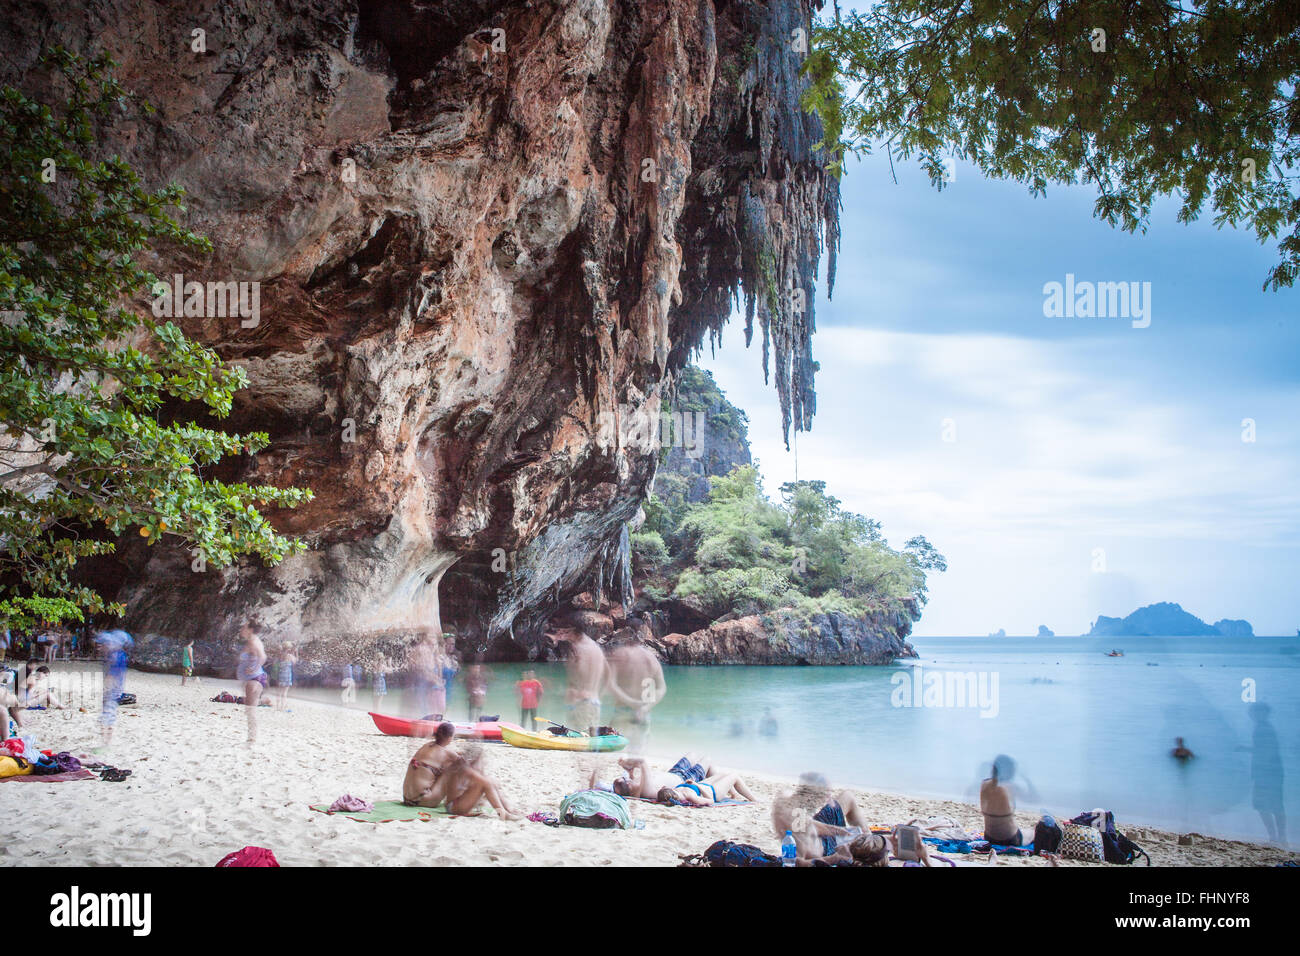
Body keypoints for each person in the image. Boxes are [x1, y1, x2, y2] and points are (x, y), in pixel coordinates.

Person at [402, 721, 521, 819]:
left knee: (455, 767)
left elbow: (453, 756)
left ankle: (505, 809)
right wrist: (476, 757)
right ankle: (504, 810)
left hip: (408, 799)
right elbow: (463, 763)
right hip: (423, 799)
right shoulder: (446, 754)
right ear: (449, 738)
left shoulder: (428, 746)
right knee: (454, 767)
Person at [605, 624, 666, 754]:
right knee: (638, 754)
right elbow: (661, 688)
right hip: (643, 712)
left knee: (615, 751)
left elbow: (610, 685)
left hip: (622, 711)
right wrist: (646, 706)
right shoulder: (651, 658)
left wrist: (630, 702)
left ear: (627, 633)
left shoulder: (619, 655)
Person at [547, 621, 606, 737]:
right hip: (592, 701)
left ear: (573, 630)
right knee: (588, 740)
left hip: (583, 703)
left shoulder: (581, 649)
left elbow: (580, 676)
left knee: (581, 740)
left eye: (562, 630)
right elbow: (606, 675)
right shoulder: (593, 646)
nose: (559, 632)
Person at [96, 629, 132, 751]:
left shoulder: (117, 656)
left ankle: (106, 745)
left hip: (112, 692)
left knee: (107, 717)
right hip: (113, 691)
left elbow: (112, 676)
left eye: (104, 644)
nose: (101, 647)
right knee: (107, 716)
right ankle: (105, 743)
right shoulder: (117, 655)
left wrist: (104, 689)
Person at [979, 754, 1027, 846]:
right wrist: (1027, 780)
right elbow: (1032, 799)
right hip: (1010, 838)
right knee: (1030, 833)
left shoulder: (984, 784)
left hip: (989, 837)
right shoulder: (1010, 786)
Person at [236, 624, 267, 745]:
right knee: (250, 710)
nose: (241, 630)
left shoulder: (253, 642)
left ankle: (252, 739)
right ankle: (251, 738)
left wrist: (254, 669)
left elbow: (263, 657)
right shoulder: (253, 641)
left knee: (250, 710)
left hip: (254, 679)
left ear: (250, 629)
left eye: (243, 628)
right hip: (253, 679)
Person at [275, 644, 297, 711]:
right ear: (289, 649)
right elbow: (295, 662)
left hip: (281, 675)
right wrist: (296, 653)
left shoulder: (281, 656)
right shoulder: (290, 656)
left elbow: (276, 663)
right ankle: (282, 707)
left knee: (279, 692)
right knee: (285, 693)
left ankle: (277, 707)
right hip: (287, 676)